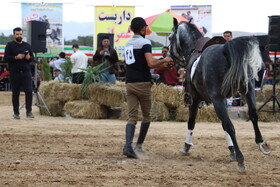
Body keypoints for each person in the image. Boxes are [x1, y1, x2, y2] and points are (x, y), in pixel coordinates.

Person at [123, 17, 173, 159]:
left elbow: (139, 63)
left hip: (129, 83)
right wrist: (165, 60)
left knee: (131, 117)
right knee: (146, 116)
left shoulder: (128, 43)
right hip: (143, 84)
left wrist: (162, 64)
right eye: (145, 27)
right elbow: (150, 63)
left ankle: (128, 146)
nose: (146, 29)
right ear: (142, 28)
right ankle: (138, 145)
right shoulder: (145, 42)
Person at [4, 27, 34, 119]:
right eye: (17, 34)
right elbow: (6, 58)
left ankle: (29, 111)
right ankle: (16, 113)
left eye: (20, 34)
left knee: (29, 91)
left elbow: (32, 58)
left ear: (22, 35)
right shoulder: (10, 45)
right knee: (15, 93)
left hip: (26, 72)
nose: (19, 36)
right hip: (14, 73)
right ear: (14, 35)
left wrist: (29, 58)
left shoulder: (27, 45)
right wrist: (16, 57)